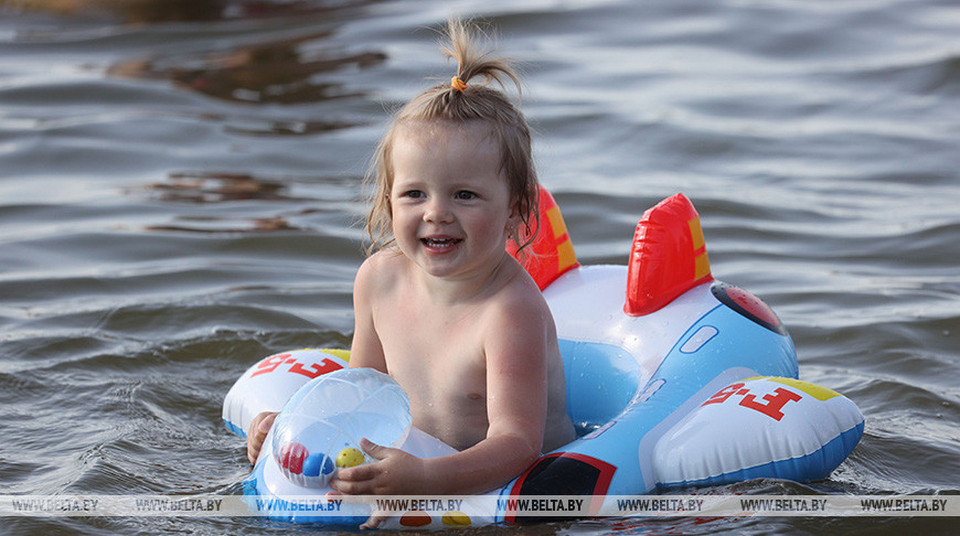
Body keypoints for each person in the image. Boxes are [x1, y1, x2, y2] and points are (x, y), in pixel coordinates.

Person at [246, 19, 575, 525]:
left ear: (515, 209)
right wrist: (293, 427)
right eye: (415, 194)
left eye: (464, 195)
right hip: (413, 463)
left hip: (507, 496)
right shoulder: (380, 280)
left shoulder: (509, 311)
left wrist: (424, 480)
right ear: (387, 201)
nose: (437, 212)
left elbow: (516, 444)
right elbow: (361, 392)